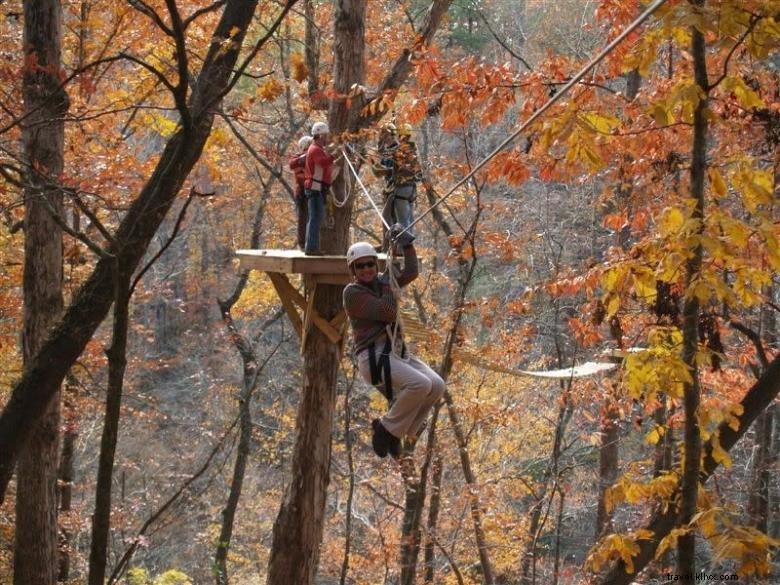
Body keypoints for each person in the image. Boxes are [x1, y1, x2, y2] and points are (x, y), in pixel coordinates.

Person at [343, 231, 446, 459]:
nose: (367, 269)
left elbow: (411, 271)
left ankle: (399, 431)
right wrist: (389, 282)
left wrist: (407, 245)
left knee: (437, 385)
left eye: (370, 264)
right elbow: (388, 313)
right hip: (374, 357)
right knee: (419, 385)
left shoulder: (382, 282)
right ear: (353, 271)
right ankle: (385, 428)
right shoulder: (352, 293)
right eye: (360, 267)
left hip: (396, 353)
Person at [372, 123, 423, 246]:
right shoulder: (413, 149)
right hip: (411, 190)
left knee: (399, 220)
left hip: (400, 189)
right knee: (408, 220)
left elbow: (391, 169)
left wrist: (379, 167)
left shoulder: (399, 151)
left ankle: (402, 247)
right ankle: (405, 246)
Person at [303, 121, 335, 255]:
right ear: (321, 135)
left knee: (316, 217)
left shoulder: (318, 149)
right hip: (314, 187)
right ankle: (311, 248)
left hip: (317, 187)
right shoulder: (315, 149)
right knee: (316, 217)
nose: (327, 138)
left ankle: (311, 246)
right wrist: (334, 155)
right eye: (326, 135)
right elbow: (323, 162)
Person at [289, 135, 313, 250]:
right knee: (303, 218)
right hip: (302, 192)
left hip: (312, 190)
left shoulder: (311, 157)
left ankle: (310, 242)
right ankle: (302, 243)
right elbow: (292, 164)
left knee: (312, 218)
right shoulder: (298, 158)